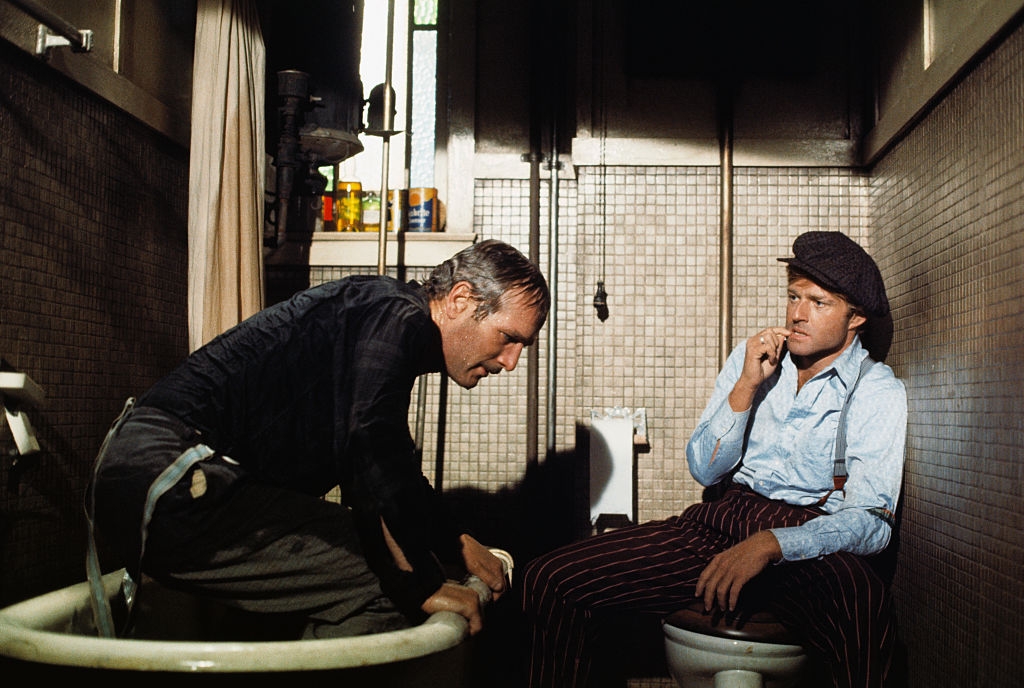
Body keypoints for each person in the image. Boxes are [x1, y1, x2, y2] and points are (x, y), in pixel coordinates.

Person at [86, 239, 549, 639]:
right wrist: (421, 584)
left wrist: (453, 540)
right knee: (388, 584)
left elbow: (390, 463)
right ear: (460, 299)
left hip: (160, 473)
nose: (510, 362)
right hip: (171, 474)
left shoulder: (381, 311)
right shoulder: (397, 317)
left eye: (521, 348)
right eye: (508, 337)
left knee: (378, 566)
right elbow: (369, 447)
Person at [520, 231, 906, 688]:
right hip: (724, 518)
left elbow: (873, 520)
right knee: (550, 579)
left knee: (862, 599)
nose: (798, 314)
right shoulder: (756, 362)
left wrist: (771, 543)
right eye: (793, 296)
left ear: (855, 316)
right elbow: (705, 469)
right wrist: (746, 384)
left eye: (818, 303)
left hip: (807, 537)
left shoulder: (876, 389)